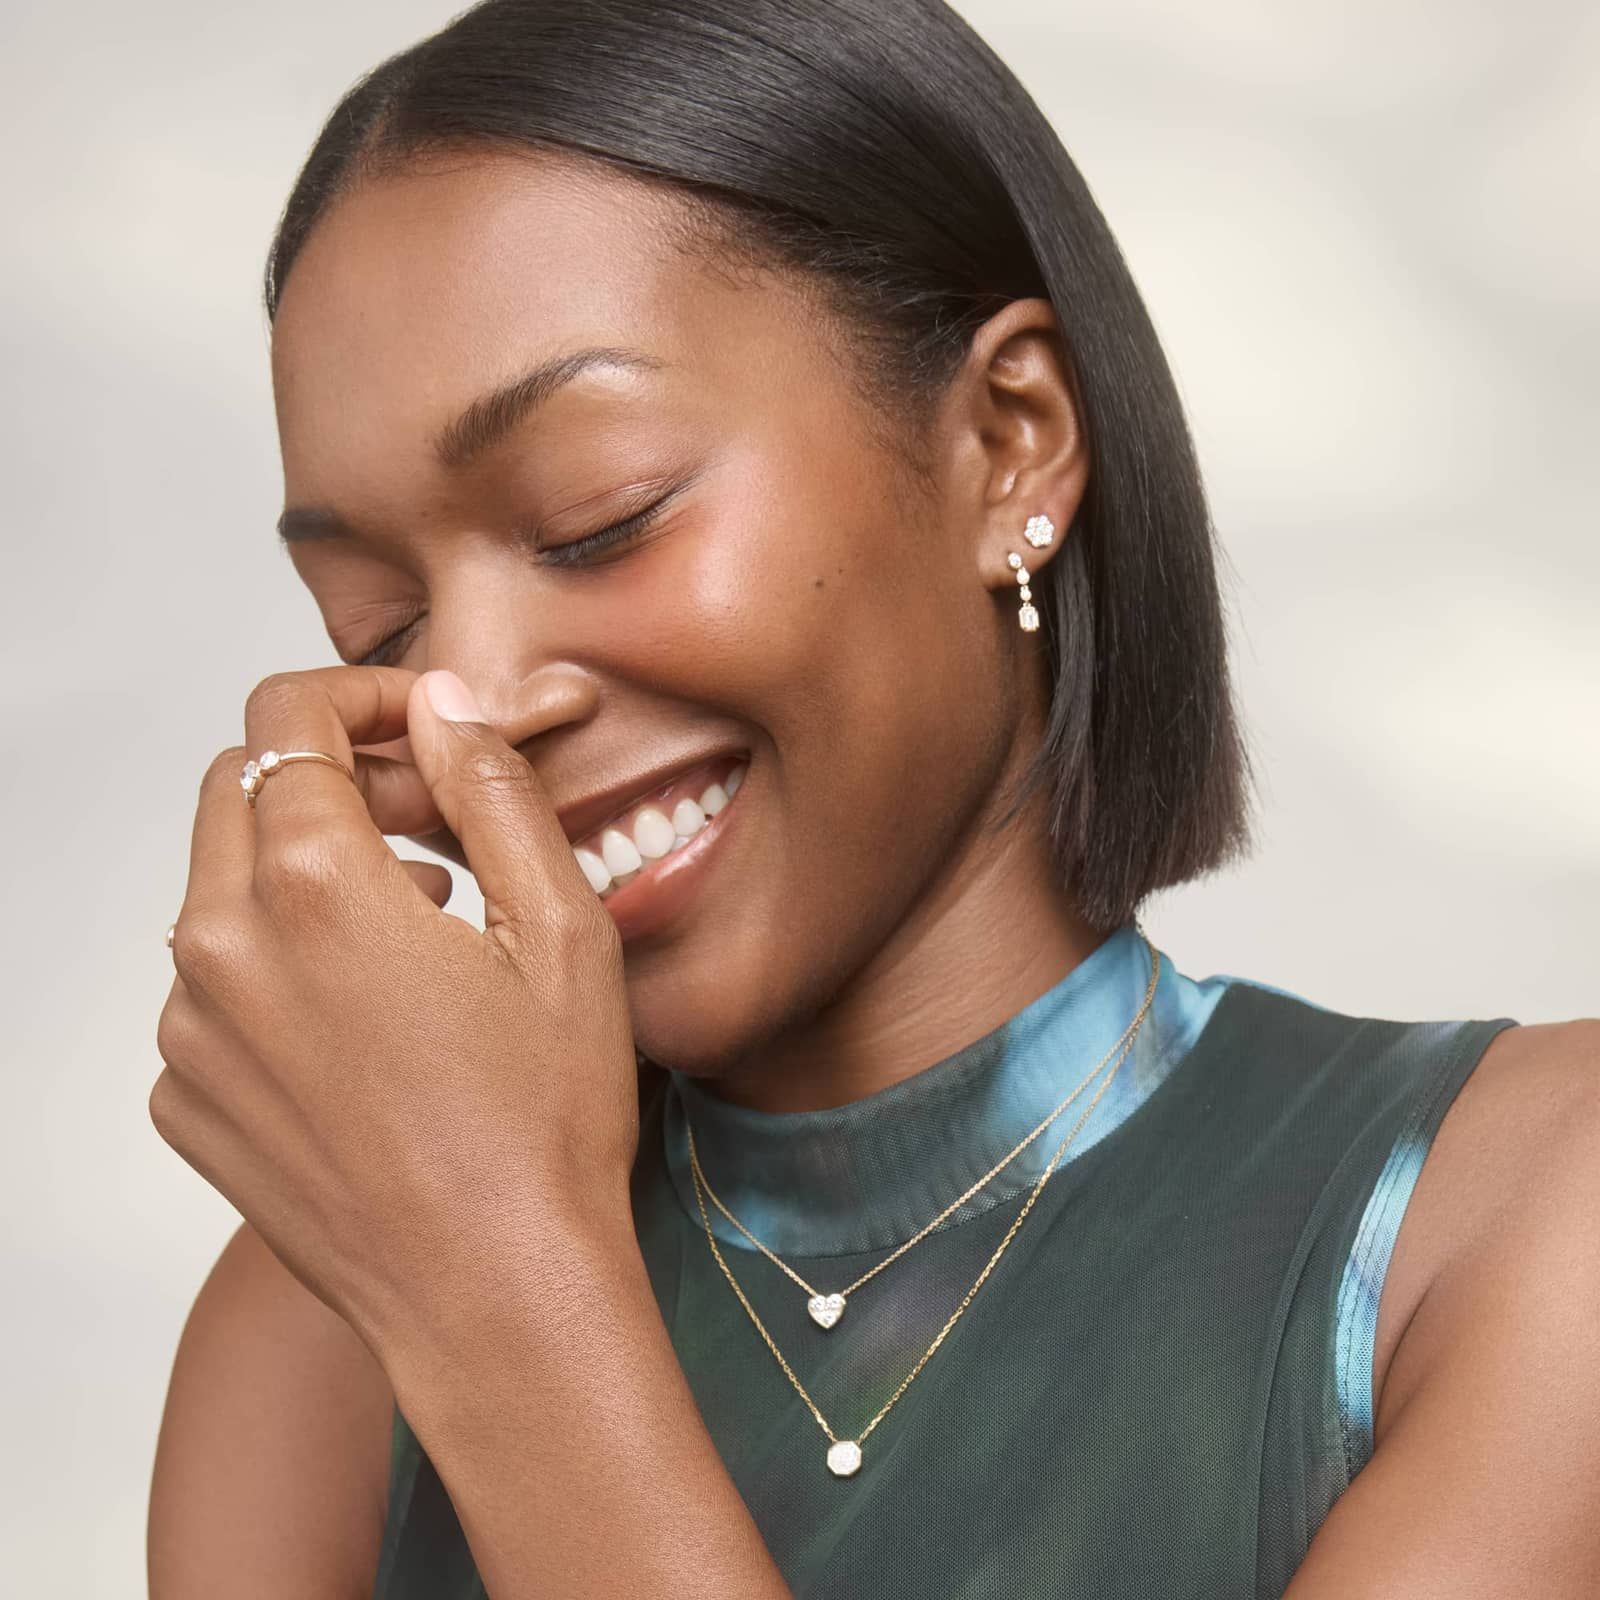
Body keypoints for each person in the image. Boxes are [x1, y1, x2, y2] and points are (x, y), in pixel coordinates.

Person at [145, 2, 1599, 1596]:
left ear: (1007, 445)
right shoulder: (317, 1346)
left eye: (597, 518)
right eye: (384, 625)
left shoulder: (1521, 1216)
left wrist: (507, 1303)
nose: (467, 703)